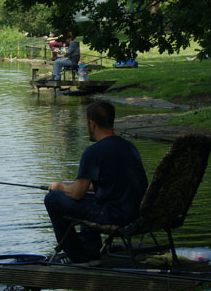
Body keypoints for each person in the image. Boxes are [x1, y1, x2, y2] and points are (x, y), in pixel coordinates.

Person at [44, 100, 148, 264]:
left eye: (86, 123)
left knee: (52, 199)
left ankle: (77, 255)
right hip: (135, 213)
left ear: (92, 124)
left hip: (115, 216)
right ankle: (90, 249)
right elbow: (113, 183)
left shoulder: (93, 152)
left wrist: (60, 186)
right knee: (90, 195)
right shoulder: (129, 147)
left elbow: (77, 194)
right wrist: (73, 187)